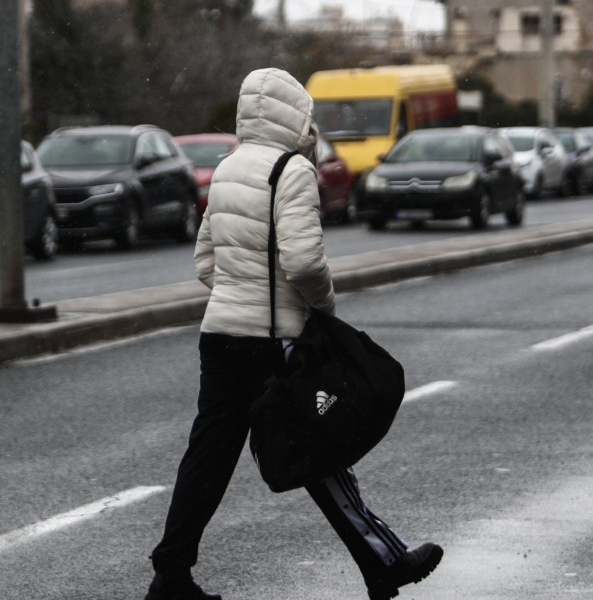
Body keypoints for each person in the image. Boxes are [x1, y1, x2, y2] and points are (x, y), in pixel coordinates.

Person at [144, 67, 443, 600]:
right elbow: (304, 264)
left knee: (207, 457)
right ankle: (384, 562)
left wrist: (240, 288)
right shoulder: (292, 171)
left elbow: (204, 263)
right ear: (294, 114)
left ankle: (171, 575)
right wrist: (322, 308)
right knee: (319, 447)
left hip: (220, 336)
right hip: (271, 339)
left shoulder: (229, 168)